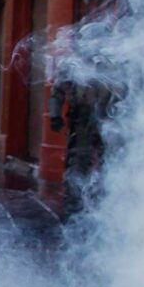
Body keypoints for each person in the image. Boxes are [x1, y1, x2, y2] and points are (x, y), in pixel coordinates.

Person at [49, 53, 125, 215]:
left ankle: (104, 199)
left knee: (109, 160)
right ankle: (75, 200)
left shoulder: (114, 64)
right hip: (82, 121)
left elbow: (123, 92)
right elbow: (58, 91)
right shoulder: (73, 63)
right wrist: (55, 116)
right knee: (79, 160)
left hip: (108, 121)